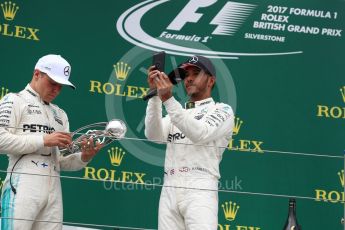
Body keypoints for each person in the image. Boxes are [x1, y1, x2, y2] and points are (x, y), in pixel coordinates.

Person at [0, 54, 102, 229]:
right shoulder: (14, 100)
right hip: (22, 182)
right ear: (37, 74)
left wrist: (84, 157)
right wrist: (44, 140)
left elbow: (61, 161)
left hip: (54, 188)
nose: (56, 90)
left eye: (61, 86)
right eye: (53, 83)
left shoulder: (60, 115)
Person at [145, 55, 234, 230]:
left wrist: (168, 100)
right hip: (169, 186)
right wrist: (155, 96)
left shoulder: (222, 109)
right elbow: (153, 134)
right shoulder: (177, 114)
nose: (189, 78)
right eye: (186, 75)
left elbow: (200, 133)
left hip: (200, 187)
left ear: (211, 80)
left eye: (196, 73)